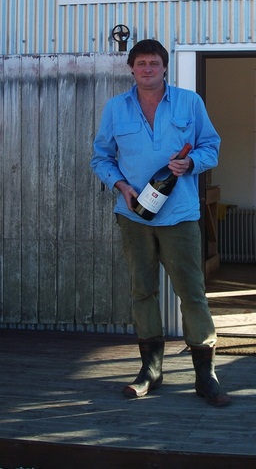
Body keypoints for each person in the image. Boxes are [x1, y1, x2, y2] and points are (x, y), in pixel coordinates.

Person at [91, 39, 231, 407]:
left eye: (154, 63)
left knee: (192, 293)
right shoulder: (115, 109)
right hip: (133, 217)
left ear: (164, 67)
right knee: (142, 291)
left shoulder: (189, 102)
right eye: (141, 63)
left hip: (180, 215)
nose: (148, 68)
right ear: (132, 68)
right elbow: (101, 158)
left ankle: (205, 375)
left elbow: (211, 145)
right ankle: (151, 369)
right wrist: (120, 185)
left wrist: (192, 164)